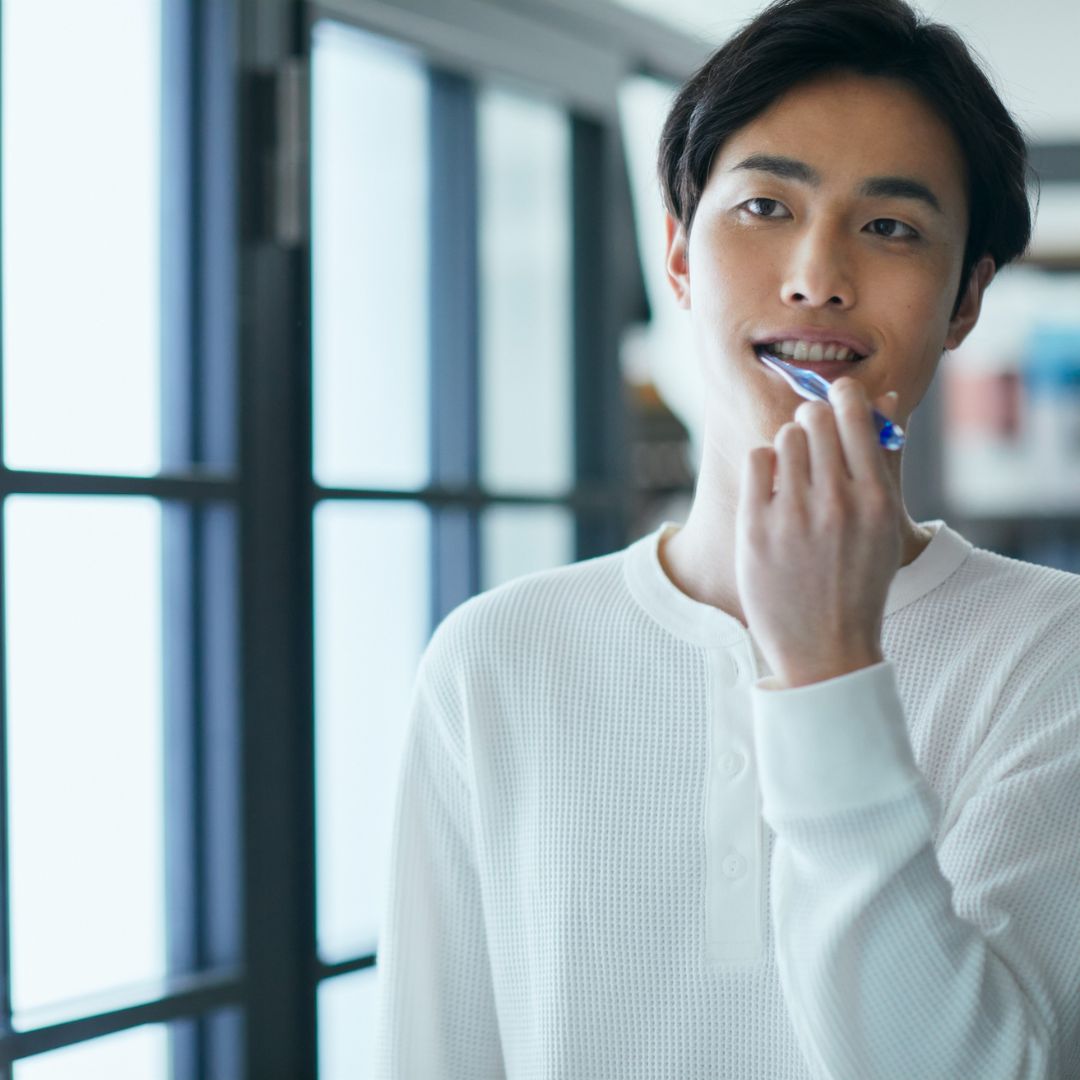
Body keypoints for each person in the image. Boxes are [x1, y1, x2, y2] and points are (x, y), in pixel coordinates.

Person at [376, 0, 1080, 1076]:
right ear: (678, 258)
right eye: (763, 206)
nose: (817, 276)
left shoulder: (1056, 656)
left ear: (965, 304)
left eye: (890, 227)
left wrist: (826, 670)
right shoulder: (495, 658)